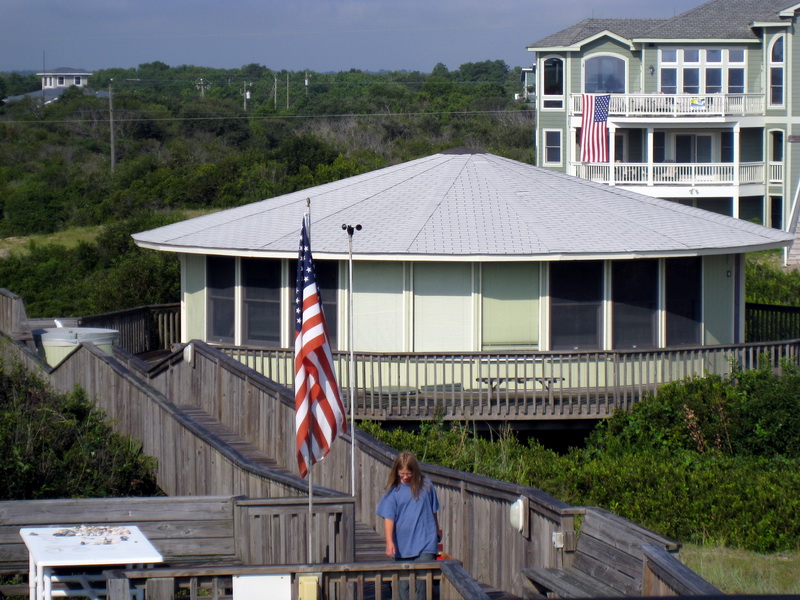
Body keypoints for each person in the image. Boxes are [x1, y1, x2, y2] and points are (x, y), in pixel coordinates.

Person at [376, 451, 441, 600]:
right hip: (402, 546)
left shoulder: (426, 485)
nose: (405, 477)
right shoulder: (393, 492)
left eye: (408, 474)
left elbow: (433, 510)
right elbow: (388, 518)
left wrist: (437, 529)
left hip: (426, 542)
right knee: (402, 589)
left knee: (423, 586)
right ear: (397, 473)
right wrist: (389, 542)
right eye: (402, 474)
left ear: (415, 471)